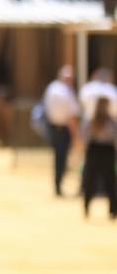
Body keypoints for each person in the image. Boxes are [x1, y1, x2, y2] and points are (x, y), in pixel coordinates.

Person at [42, 65, 81, 197]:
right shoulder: (66, 92)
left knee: (58, 158)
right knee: (62, 158)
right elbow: (72, 117)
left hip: (52, 128)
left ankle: (57, 185)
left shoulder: (52, 88)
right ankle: (59, 185)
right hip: (63, 129)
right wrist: (76, 136)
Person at [80, 96, 116, 219]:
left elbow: (84, 136)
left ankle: (87, 207)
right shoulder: (109, 121)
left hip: (95, 150)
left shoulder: (91, 120)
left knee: (92, 179)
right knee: (108, 180)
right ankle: (112, 210)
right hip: (105, 150)